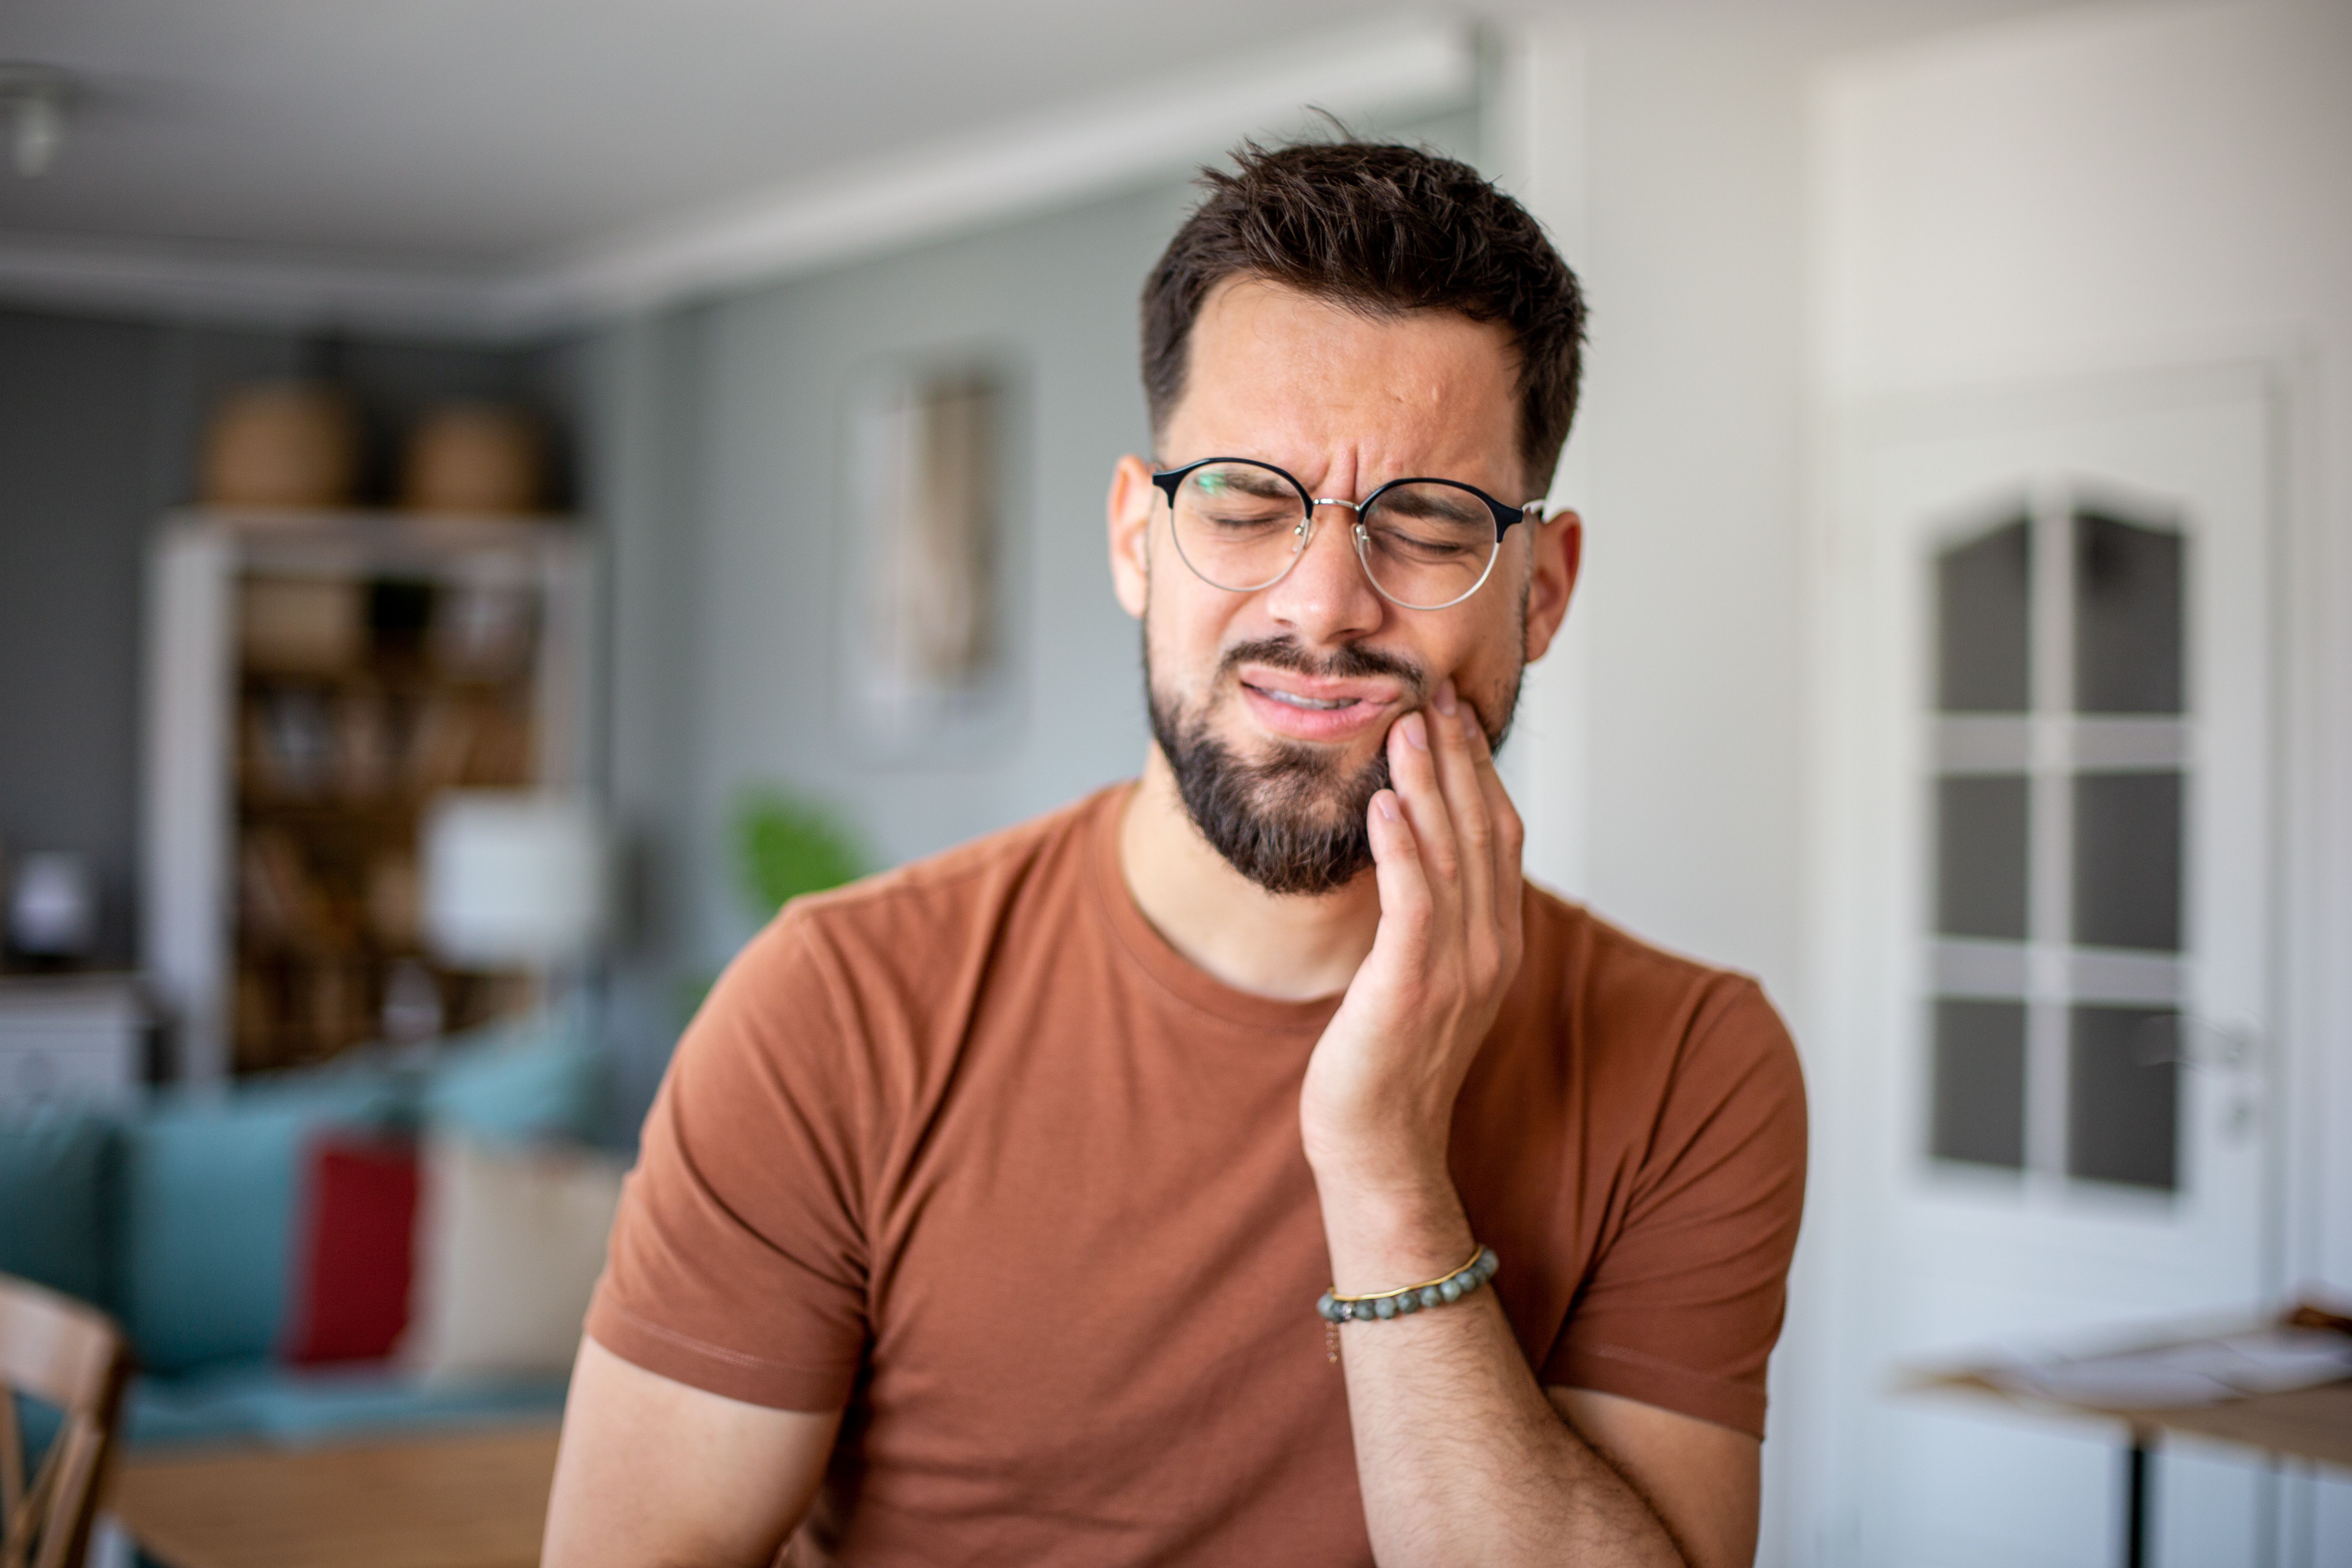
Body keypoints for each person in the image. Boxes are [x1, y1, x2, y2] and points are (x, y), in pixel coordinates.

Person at [543, 138, 1806, 1568]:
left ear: (1546, 587)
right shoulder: (834, 1010)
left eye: (1430, 523)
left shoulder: (1691, 1064)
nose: (1324, 604)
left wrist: (1386, 1170)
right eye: (1248, 504)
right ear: (1139, 539)